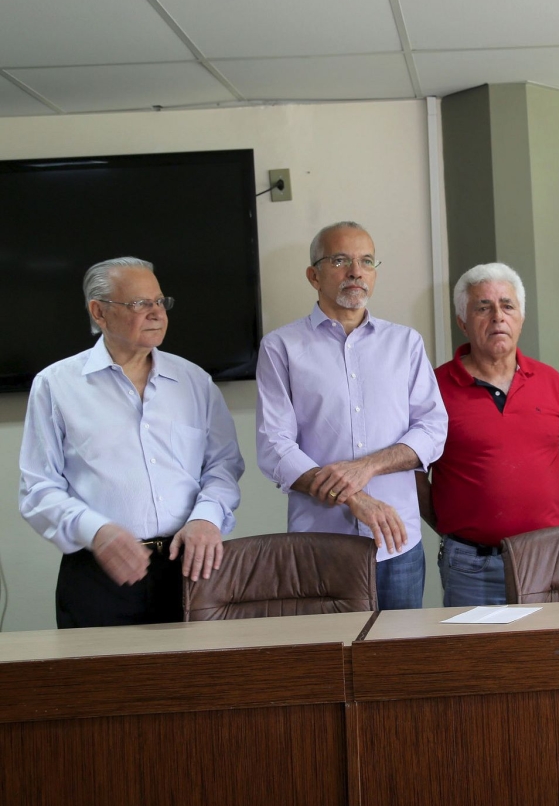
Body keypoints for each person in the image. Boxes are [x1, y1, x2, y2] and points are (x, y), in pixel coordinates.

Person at [19, 257, 244, 628]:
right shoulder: (56, 385)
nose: (156, 313)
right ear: (100, 312)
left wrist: (207, 519)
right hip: (98, 572)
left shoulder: (194, 381)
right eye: (139, 304)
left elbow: (223, 465)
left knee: (197, 684)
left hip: (190, 564)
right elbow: (38, 489)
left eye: (159, 302)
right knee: (101, 685)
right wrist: (97, 530)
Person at [256, 221, 447, 610]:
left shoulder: (405, 343)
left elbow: (432, 429)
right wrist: (353, 496)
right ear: (314, 275)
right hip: (321, 543)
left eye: (366, 261)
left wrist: (368, 468)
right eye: (340, 260)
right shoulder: (281, 347)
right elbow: (275, 446)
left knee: (398, 662)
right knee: (324, 664)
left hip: (398, 545)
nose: (355, 272)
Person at [417, 263, 559, 607]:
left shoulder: (550, 380)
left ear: (521, 317)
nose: (498, 317)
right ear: (462, 322)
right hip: (471, 566)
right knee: (478, 659)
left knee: (557, 657)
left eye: (507, 305)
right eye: (483, 307)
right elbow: (414, 471)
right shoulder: (433, 387)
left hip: (551, 557)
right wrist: (449, 524)